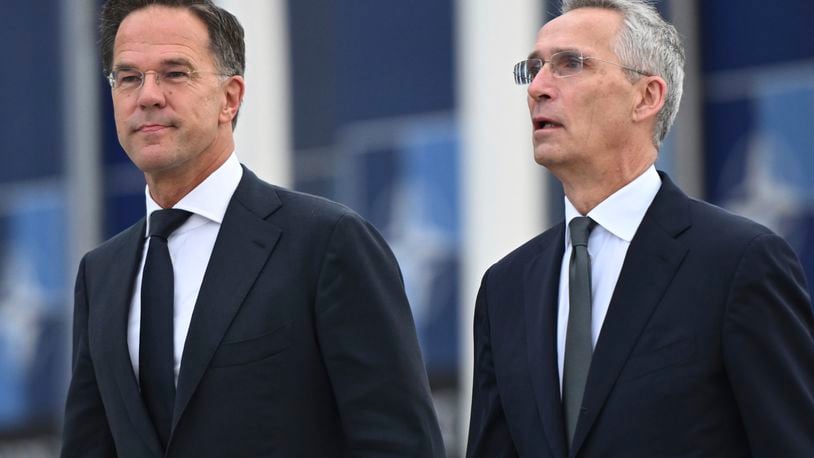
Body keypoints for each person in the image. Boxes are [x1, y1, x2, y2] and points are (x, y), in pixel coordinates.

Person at [60, 1, 444, 456]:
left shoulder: (327, 243)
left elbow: (399, 444)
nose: (147, 96)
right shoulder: (100, 274)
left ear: (230, 97)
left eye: (175, 74)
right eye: (128, 77)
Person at [466, 0, 814, 457]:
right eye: (533, 69)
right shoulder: (505, 287)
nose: (538, 88)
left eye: (569, 64)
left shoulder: (738, 263)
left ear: (646, 97)